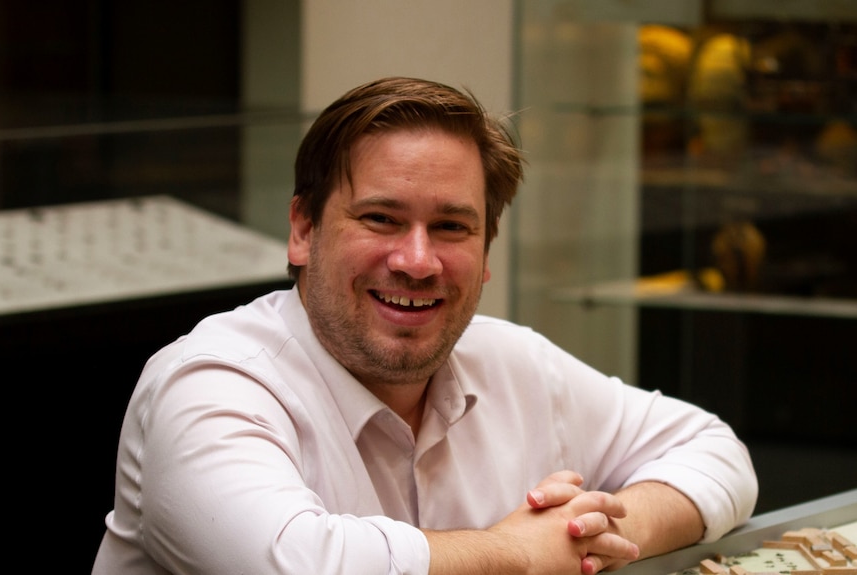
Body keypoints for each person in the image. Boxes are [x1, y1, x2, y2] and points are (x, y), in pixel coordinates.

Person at [92, 76, 758, 575]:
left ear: (487, 251)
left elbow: (719, 453)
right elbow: (297, 563)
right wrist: (514, 554)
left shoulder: (513, 361)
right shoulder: (208, 383)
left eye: (451, 226)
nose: (417, 260)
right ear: (302, 228)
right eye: (380, 218)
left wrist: (591, 531)